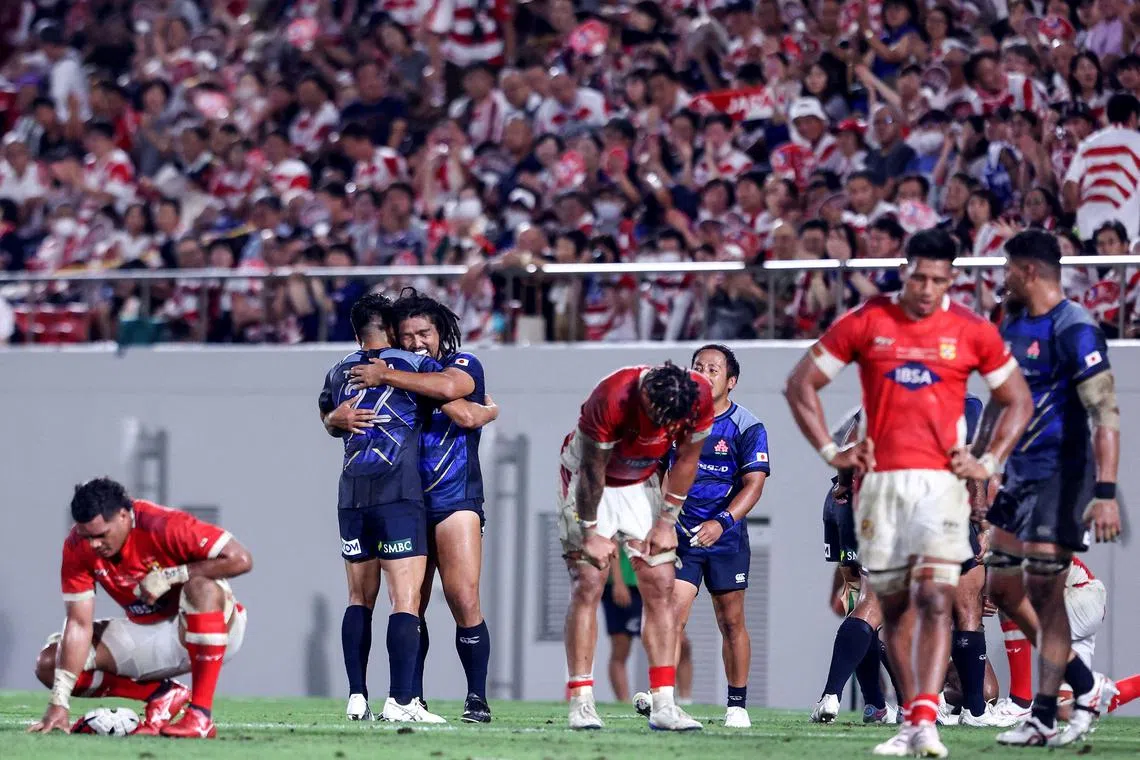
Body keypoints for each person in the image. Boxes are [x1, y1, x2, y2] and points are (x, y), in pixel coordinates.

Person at [784, 227, 1033, 758]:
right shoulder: (870, 320)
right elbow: (800, 382)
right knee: (892, 609)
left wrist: (987, 462)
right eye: (919, 276)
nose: (926, 288)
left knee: (939, 600)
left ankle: (924, 720)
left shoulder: (970, 329)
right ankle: (907, 714)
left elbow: (1017, 400)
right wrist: (833, 451)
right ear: (905, 270)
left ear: (952, 279)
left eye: (938, 280)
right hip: (881, 489)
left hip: (942, 487)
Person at [977, 229, 1123, 747]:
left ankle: (1045, 712)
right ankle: (1087, 686)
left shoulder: (1075, 326)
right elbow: (998, 399)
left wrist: (1105, 491)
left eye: (1009, 269)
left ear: (1030, 271)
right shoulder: (1013, 323)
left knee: (1044, 585)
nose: (1003, 278)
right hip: (1017, 473)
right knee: (1002, 590)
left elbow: (1105, 411)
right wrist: (979, 457)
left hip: (1062, 473)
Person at [343, 289, 499, 723]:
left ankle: (476, 697)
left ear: (441, 331)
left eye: (423, 333)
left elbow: (457, 398)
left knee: (463, 597)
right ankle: (412, 697)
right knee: (410, 601)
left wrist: (388, 377)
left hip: (455, 498)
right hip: (405, 500)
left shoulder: (463, 363)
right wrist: (332, 418)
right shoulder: (401, 370)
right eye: (406, 335)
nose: (415, 343)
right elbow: (343, 414)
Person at [814, 398, 1000, 728]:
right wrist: (981, 519)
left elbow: (850, 448)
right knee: (959, 608)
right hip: (938, 507)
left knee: (870, 605)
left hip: (879, 508)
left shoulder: (882, 393)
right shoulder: (963, 402)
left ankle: (848, 697)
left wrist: (844, 484)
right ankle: (954, 707)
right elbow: (971, 462)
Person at [28, 478, 253, 738]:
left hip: (212, 626)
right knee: (49, 664)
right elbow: (79, 623)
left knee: (202, 587)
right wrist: (59, 701)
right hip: (149, 634)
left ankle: (200, 715)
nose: (94, 545)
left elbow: (241, 559)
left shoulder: (165, 525)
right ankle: (163, 695)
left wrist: (174, 575)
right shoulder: (77, 547)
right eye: (86, 536)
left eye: (101, 535)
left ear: (124, 515)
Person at [559, 361, 714, 731]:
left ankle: (663, 703)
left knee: (661, 584)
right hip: (588, 479)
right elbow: (593, 469)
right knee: (588, 582)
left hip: (641, 481)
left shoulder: (699, 396)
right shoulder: (611, 396)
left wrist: (666, 522)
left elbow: (688, 458)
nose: (661, 429)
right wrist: (590, 530)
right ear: (644, 397)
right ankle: (581, 700)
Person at [317, 293, 447, 724]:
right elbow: (452, 387)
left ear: (356, 333)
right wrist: (486, 410)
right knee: (405, 599)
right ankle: (402, 700)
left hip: (352, 496)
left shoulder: (338, 371)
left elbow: (328, 416)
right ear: (393, 329)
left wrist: (333, 421)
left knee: (358, 597)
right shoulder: (410, 364)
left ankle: (357, 696)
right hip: (398, 494)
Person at [669, 344, 769, 729]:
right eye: (698, 366)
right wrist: (665, 520)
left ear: (731, 381)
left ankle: (737, 706)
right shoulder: (675, 420)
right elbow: (659, 473)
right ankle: (666, 698)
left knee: (731, 622)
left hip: (725, 537)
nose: (704, 373)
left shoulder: (747, 425)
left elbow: (754, 485)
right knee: (673, 616)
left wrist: (722, 523)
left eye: (713, 368)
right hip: (683, 535)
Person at [603, 546, 642, 703]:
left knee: (678, 643)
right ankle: (624, 702)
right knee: (620, 648)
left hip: (651, 582)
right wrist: (618, 581)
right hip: (626, 584)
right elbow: (611, 542)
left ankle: (681, 698)